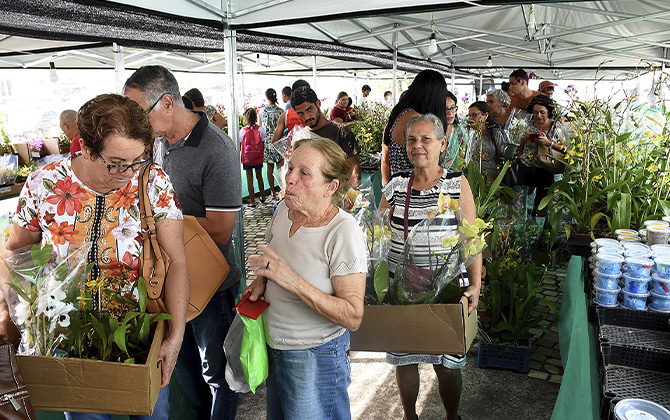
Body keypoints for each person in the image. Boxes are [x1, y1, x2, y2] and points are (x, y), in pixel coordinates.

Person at [0, 94, 189, 420]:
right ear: (86, 148)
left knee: (153, 414)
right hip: (68, 341)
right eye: (116, 162)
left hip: (138, 335)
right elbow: (15, 252)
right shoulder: (44, 184)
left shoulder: (153, 181)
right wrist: (8, 310)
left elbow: (178, 261)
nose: (129, 172)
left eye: (138, 159)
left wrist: (176, 335)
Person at [124, 65, 242, 420]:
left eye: (138, 112)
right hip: (167, 278)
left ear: (166, 103)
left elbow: (221, 230)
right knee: (183, 368)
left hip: (209, 283)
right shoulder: (155, 143)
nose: (134, 122)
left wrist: (160, 225)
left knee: (217, 374)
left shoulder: (217, 149)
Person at [244, 137, 367, 420]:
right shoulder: (283, 211)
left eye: (304, 173)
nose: (289, 178)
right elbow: (274, 257)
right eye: (290, 168)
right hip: (275, 347)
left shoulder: (342, 232)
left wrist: (292, 281)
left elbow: (352, 316)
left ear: (330, 187)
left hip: (316, 356)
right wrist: (262, 281)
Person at [379, 113, 481, 420]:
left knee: (447, 366)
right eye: (411, 140)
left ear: (442, 144)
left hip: (446, 291)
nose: (417, 146)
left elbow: (471, 238)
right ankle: (410, 416)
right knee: (404, 360)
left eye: (426, 139)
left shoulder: (456, 183)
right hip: (402, 289)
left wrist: (476, 284)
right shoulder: (396, 185)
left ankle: (452, 416)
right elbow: (379, 232)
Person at [381, 69, 447, 185]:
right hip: (411, 187)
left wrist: (386, 187)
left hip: (399, 185)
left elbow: (384, 158)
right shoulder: (415, 119)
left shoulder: (401, 113)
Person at [291, 86, 361, 187]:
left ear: (318, 103)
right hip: (310, 192)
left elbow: (353, 165)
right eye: (301, 113)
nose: (306, 117)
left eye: (309, 109)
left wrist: (354, 191)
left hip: (337, 191)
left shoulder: (341, 132)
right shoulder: (300, 137)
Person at [515, 95, 565, 217]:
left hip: (546, 169)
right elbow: (517, 150)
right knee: (523, 204)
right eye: (535, 112)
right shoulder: (526, 125)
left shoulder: (555, 126)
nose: (538, 116)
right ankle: (525, 225)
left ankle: (540, 226)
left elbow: (564, 149)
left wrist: (549, 143)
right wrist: (523, 140)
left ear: (548, 112)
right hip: (526, 168)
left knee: (541, 205)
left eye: (542, 112)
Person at [466, 101, 507, 181]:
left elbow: (501, 155)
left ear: (485, 115)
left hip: (491, 177)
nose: (471, 118)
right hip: (471, 176)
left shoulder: (495, 134)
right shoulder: (468, 134)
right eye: (469, 115)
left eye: (474, 115)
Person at [240, 108, 267, 207]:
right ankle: (263, 197)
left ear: (246, 118)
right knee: (259, 177)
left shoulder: (242, 131)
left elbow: (240, 145)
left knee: (249, 179)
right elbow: (264, 142)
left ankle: (252, 201)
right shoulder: (260, 130)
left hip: (247, 158)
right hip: (258, 157)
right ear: (255, 117)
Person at [260, 88, 284, 197]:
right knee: (281, 169)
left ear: (266, 97)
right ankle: (283, 190)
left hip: (267, 142)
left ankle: (272, 192)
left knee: (269, 169)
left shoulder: (262, 111)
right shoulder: (281, 111)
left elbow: (260, 129)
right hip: (278, 141)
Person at [443, 91, 468, 171]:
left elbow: (464, 156)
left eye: (452, 108)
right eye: (445, 109)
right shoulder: (432, 132)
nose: (450, 113)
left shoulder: (459, 131)